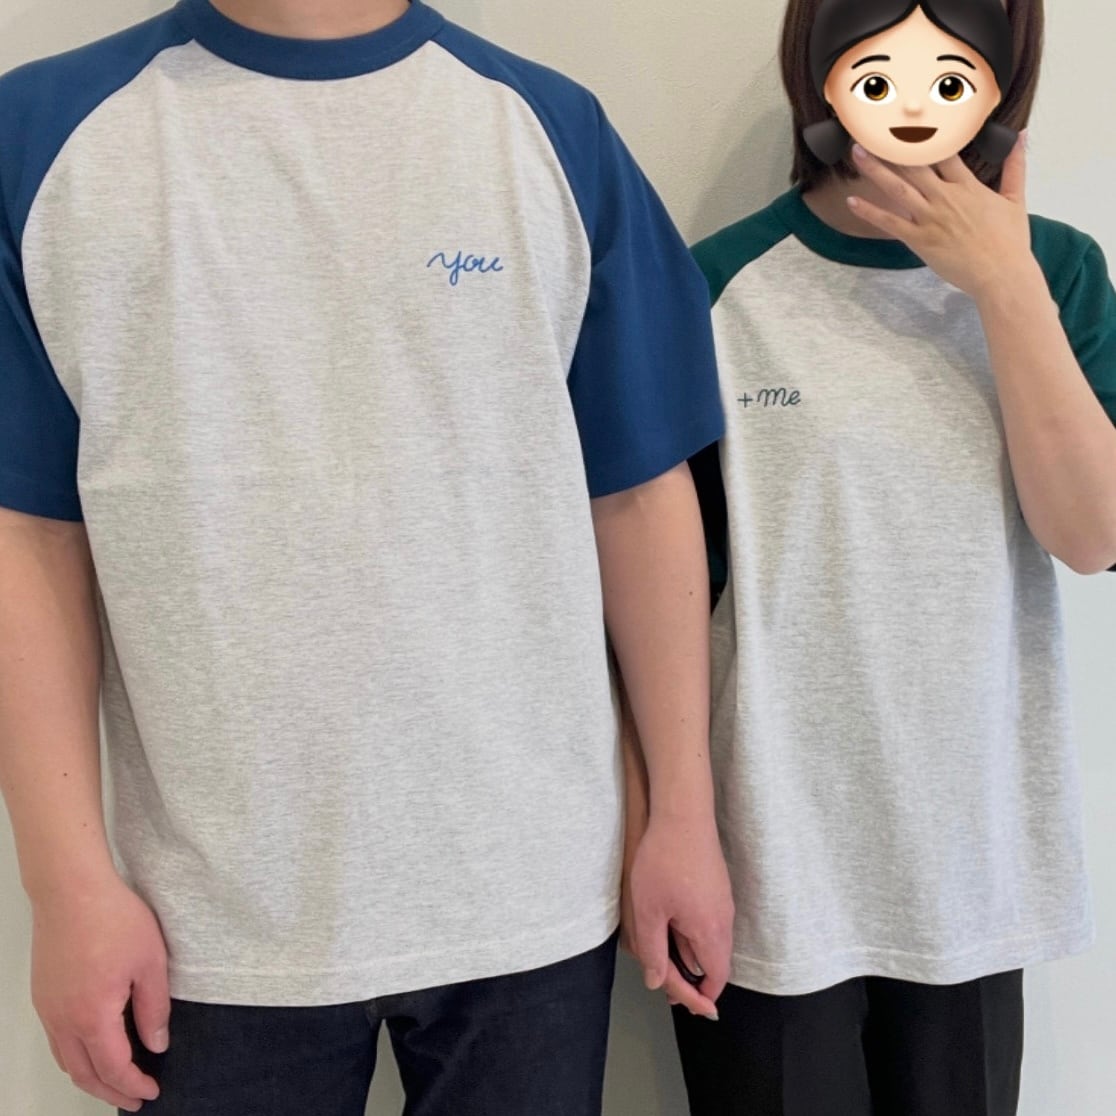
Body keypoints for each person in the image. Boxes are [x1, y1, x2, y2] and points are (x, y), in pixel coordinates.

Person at [0, 2, 734, 1113]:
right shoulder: (42, 137)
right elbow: (26, 531)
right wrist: (65, 886)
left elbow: (636, 495)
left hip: (530, 886)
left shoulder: (547, 128)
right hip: (213, 917)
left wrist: (683, 811)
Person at [625, 0, 1116, 1112]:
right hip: (767, 870)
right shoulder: (718, 285)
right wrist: (664, 826)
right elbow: (657, 604)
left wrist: (1003, 286)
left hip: (973, 871)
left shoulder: (1058, 271)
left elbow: (1092, 536)